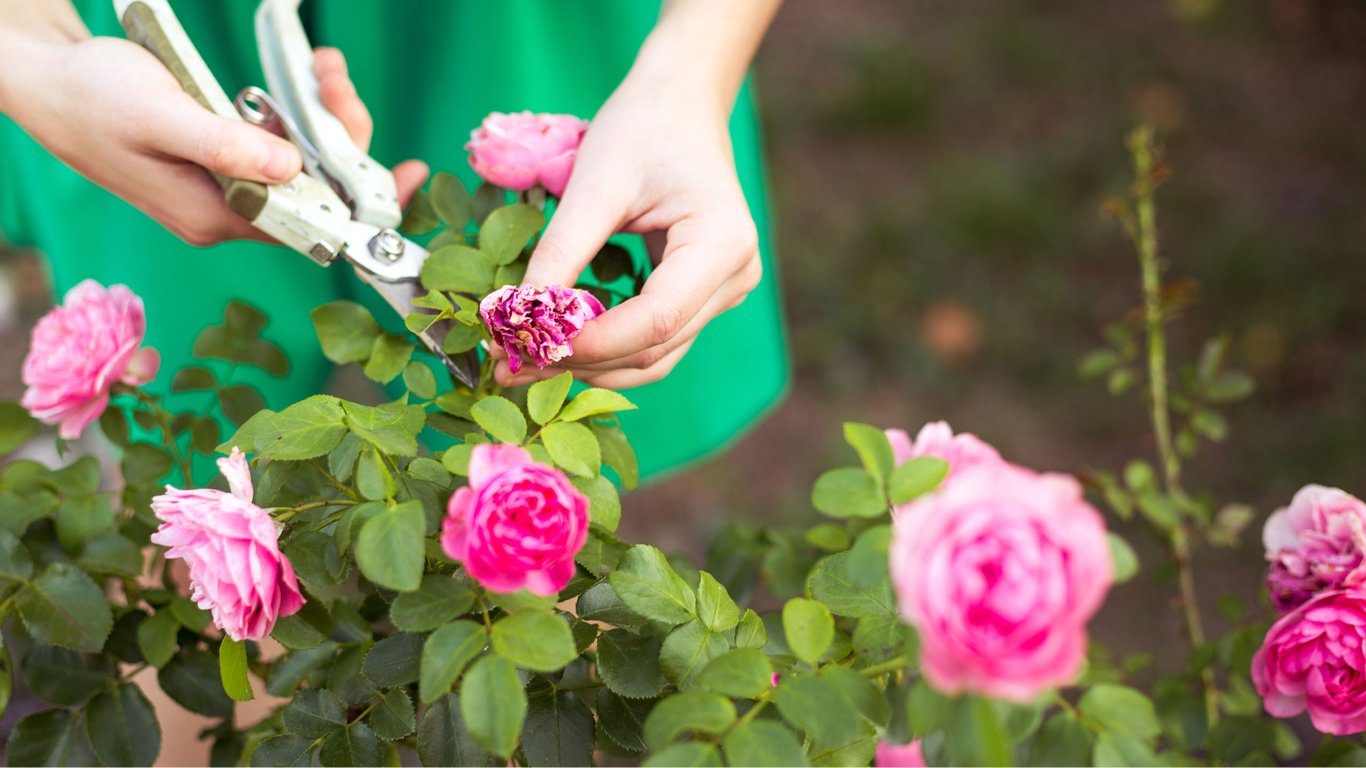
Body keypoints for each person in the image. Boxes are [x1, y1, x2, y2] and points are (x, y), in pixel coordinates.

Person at [0, 0, 789, 480]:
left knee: (542, 480)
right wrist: (30, 53)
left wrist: (687, 77)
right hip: (160, 37)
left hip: (509, 25)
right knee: (188, 471)